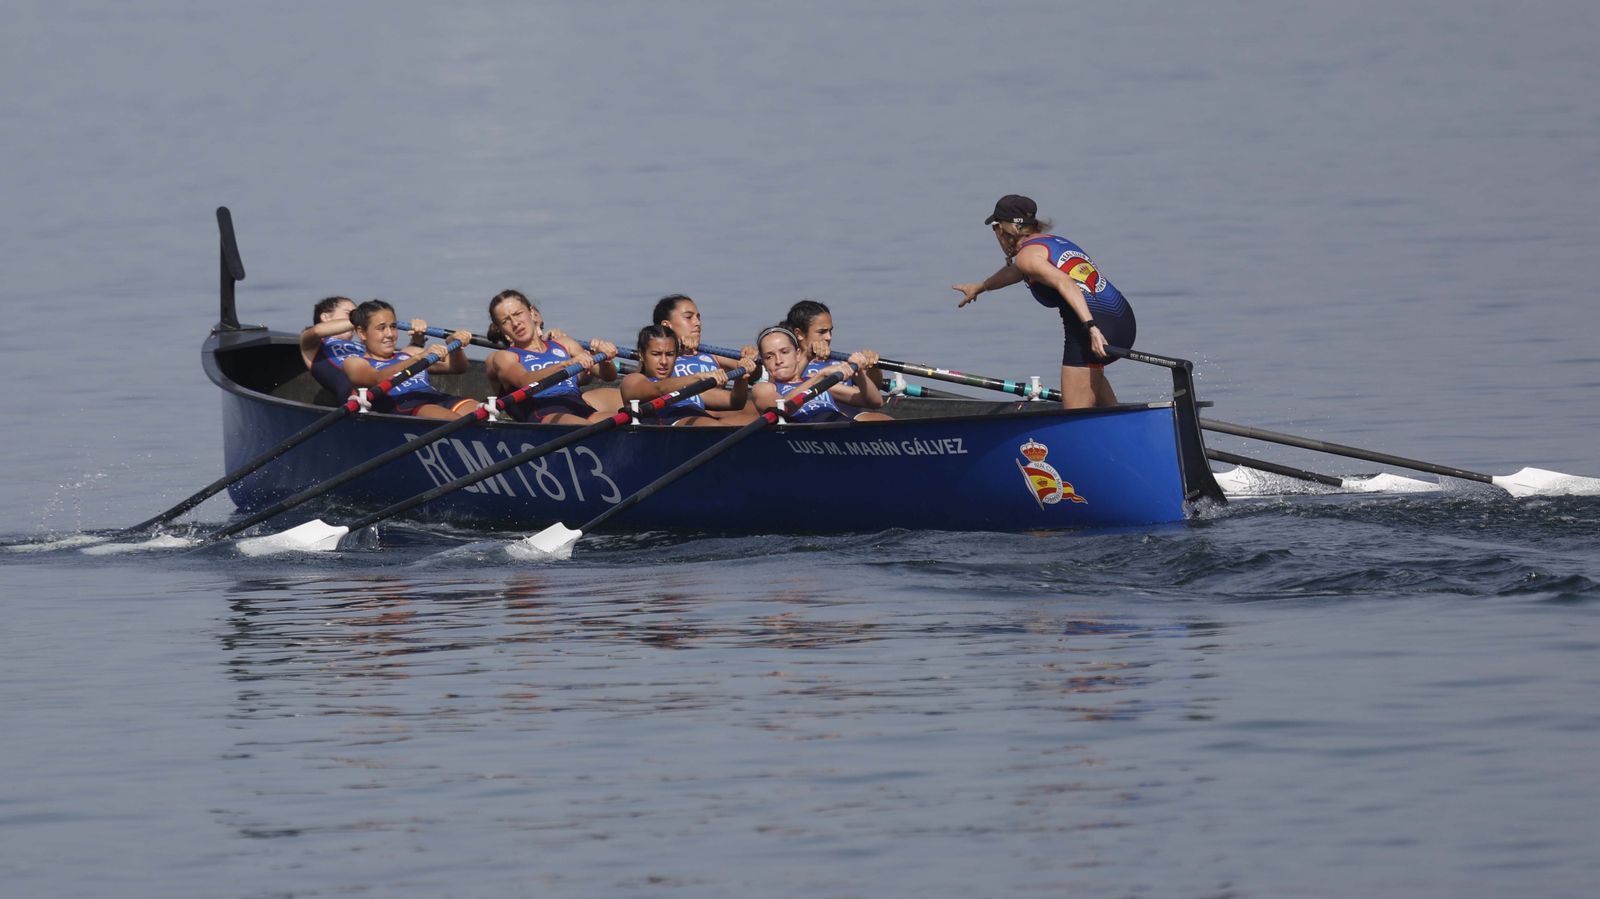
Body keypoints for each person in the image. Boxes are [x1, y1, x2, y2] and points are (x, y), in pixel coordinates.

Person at [951, 194, 1136, 409]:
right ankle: (1123, 427)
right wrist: (980, 287)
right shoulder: (1052, 243)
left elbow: (1066, 282)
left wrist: (1092, 329)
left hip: (1090, 328)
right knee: (1091, 381)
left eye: (994, 227)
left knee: (1075, 416)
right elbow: (1016, 272)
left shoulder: (1027, 257)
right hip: (1122, 319)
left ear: (1002, 230)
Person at [483, 289, 621, 424]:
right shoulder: (504, 357)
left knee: (621, 423)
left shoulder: (564, 343)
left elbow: (608, 376)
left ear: (531, 312)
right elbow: (525, 381)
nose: (515, 323)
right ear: (500, 328)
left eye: (518, 314)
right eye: (506, 321)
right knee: (586, 427)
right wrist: (565, 364)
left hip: (577, 404)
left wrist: (605, 358)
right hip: (544, 412)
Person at [340, 299, 480, 419]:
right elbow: (377, 379)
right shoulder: (353, 362)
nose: (390, 334)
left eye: (393, 327)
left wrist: (454, 346)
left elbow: (457, 368)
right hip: (407, 408)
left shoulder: (408, 353)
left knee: (481, 412)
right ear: (362, 333)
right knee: (455, 420)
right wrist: (418, 358)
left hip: (438, 398)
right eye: (381, 328)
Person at [653, 293, 760, 423]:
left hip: (720, 413)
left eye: (698, 317)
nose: (698, 323)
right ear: (666, 325)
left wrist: (750, 358)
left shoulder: (712, 355)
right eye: (688, 317)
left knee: (761, 410)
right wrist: (675, 347)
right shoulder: (659, 359)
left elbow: (755, 375)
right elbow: (643, 381)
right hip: (683, 416)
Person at [299, 296, 430, 401]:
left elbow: (397, 360)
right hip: (356, 398)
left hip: (384, 390)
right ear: (326, 317)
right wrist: (366, 319)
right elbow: (317, 331)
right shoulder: (313, 343)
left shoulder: (363, 346)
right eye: (350, 314)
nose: (355, 318)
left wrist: (417, 341)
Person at [751, 326, 892, 423]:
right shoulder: (764, 388)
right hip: (804, 435)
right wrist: (821, 375)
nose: (779, 361)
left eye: (784, 352)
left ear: (798, 354)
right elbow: (781, 409)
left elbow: (875, 402)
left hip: (838, 426)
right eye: (769, 357)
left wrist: (859, 372)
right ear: (763, 362)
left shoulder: (814, 381)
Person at [621, 325, 752, 427]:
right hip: (670, 427)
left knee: (751, 421)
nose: (664, 361)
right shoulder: (632, 380)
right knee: (711, 426)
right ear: (642, 355)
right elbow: (658, 389)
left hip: (699, 424)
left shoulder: (685, 382)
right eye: (656, 354)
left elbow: (735, 402)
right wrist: (700, 377)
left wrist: (742, 379)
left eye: (670, 354)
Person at [783, 299, 887, 400]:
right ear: (799, 334)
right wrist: (807, 356)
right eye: (822, 332)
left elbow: (876, 387)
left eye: (830, 331)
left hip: (850, 413)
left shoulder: (841, 362)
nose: (829, 337)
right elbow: (782, 389)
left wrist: (873, 366)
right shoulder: (784, 366)